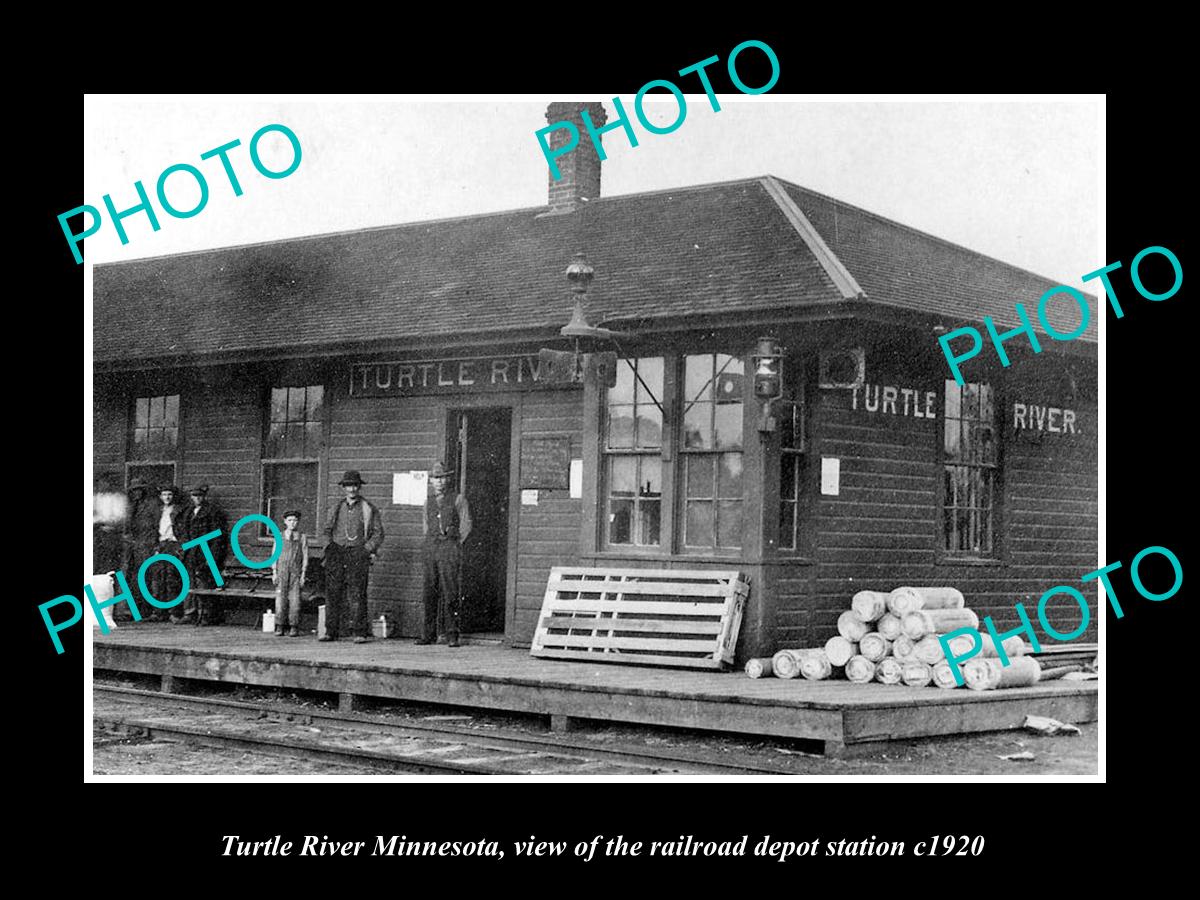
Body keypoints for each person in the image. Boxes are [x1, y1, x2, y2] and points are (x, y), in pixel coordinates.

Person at [321, 470, 384, 643]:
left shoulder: (368, 508)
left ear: (359, 487)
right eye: (348, 485)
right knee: (333, 593)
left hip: (357, 553)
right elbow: (326, 531)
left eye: (355, 485)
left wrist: (366, 549)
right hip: (337, 553)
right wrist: (329, 548)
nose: (352, 489)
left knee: (357, 593)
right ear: (343, 488)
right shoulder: (336, 507)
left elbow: (378, 534)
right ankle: (330, 631)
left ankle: (359, 632)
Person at [418, 461, 472, 648]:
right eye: (435, 478)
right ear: (431, 481)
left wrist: (454, 545)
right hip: (431, 548)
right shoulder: (428, 502)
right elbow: (426, 526)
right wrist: (430, 544)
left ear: (447, 479)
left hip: (449, 548)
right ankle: (428, 634)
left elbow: (466, 526)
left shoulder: (458, 499)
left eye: (442, 478)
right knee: (429, 591)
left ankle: (452, 635)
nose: (439, 482)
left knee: (450, 592)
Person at [180, 484, 228, 626]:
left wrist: (212, 557)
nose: (197, 499)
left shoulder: (212, 512)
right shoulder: (188, 512)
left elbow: (218, 536)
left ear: (204, 497)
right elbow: (183, 531)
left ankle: (207, 614)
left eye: (199, 496)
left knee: (205, 584)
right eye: (194, 496)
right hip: (191, 553)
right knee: (189, 582)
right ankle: (190, 613)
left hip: (205, 553)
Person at [119, 476, 160, 622]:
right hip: (131, 547)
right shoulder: (130, 507)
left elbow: (156, 526)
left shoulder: (151, 505)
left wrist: (154, 543)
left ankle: (146, 610)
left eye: (139, 490)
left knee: (145, 576)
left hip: (146, 545)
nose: (137, 493)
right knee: (131, 577)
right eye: (134, 490)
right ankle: (131, 610)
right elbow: (126, 527)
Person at [271, 509, 309, 637]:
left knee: (295, 600)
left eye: (295, 520)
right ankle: (280, 626)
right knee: (280, 600)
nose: (293, 523)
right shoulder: (279, 536)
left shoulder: (302, 537)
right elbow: (274, 556)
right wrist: (274, 572)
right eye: (290, 520)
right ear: (285, 522)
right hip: (281, 571)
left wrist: (303, 574)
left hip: (295, 572)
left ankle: (293, 626)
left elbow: (305, 556)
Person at [154, 485, 187, 623]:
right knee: (159, 578)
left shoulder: (179, 511)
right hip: (161, 545)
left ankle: (174, 612)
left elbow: (183, 529)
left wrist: (180, 546)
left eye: (169, 495)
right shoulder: (159, 511)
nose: (167, 497)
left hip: (173, 545)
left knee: (172, 578)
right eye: (164, 495)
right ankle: (160, 612)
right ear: (160, 497)